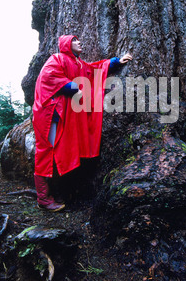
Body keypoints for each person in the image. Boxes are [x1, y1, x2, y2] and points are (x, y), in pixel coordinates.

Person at [32, 34, 132, 212]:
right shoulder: (57, 59)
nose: (79, 42)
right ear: (66, 44)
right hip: (52, 115)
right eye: (74, 40)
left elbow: (95, 69)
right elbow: (48, 77)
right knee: (47, 152)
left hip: (67, 117)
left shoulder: (79, 64)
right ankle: (43, 198)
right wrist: (72, 87)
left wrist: (117, 61)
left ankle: (59, 192)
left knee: (63, 152)